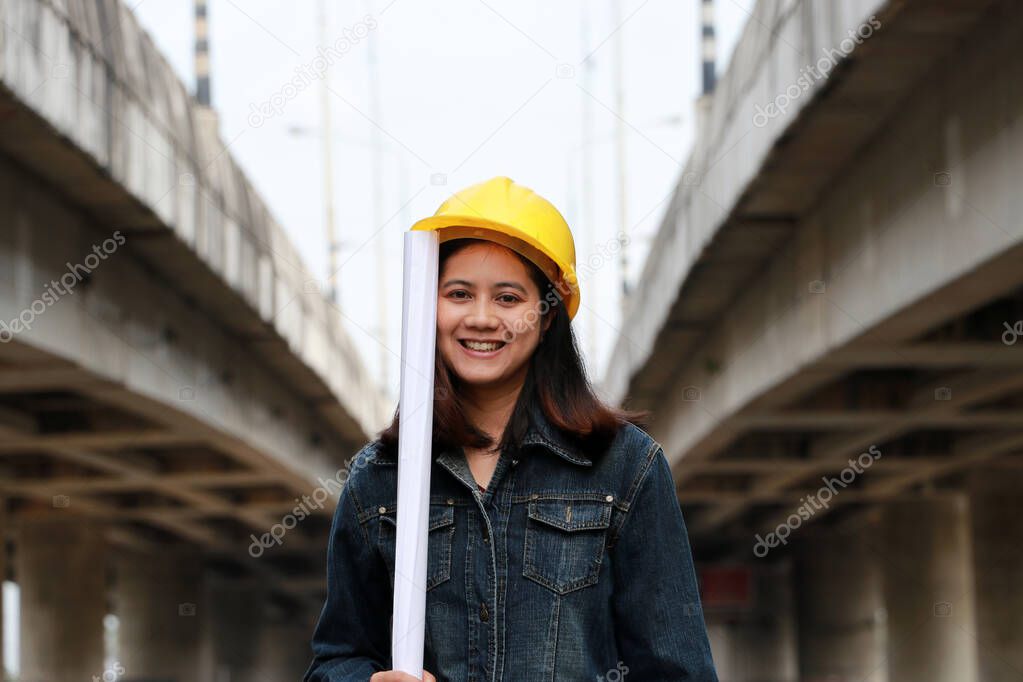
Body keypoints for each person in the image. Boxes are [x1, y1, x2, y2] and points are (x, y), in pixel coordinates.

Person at [303, 176, 719, 681]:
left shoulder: (625, 468)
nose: (480, 318)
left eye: (507, 298)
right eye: (458, 293)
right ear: (428, 307)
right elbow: (335, 657)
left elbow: (676, 670)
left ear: (546, 317)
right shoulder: (378, 479)